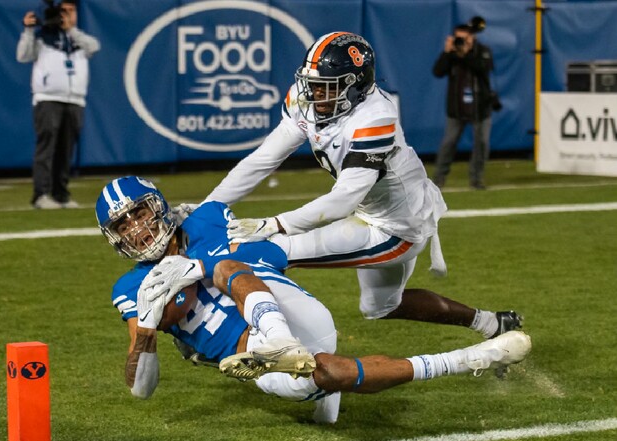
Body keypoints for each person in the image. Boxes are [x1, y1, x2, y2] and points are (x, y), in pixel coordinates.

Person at [95, 177, 532, 424]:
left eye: (140, 213)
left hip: (283, 312)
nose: (137, 229)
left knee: (228, 268)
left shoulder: (207, 220)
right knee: (330, 374)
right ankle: (474, 356)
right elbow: (140, 388)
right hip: (244, 352)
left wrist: (198, 266)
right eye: (124, 224)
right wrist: (148, 327)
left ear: (160, 207)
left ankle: (280, 343)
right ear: (115, 240)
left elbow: (256, 253)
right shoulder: (131, 289)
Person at [195, 31, 520, 341]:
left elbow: (343, 200)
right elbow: (264, 159)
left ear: (355, 85)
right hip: (371, 210)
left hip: (396, 228)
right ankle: (492, 322)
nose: (315, 94)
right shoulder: (307, 100)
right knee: (379, 306)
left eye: (327, 87)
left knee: (266, 251)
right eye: (314, 85)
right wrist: (207, 208)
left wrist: (276, 223)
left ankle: (261, 341)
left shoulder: (375, 118)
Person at [16, 0, 100, 209]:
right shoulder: (43, 37)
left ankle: (61, 194)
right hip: (48, 99)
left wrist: (70, 29)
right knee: (47, 148)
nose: (67, 15)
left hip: (75, 100)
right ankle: (41, 194)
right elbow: (23, 55)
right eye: (63, 11)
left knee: (66, 150)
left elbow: (94, 46)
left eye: (71, 11)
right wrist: (28, 30)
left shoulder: (79, 39)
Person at [432, 17, 495, 190]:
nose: (461, 41)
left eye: (465, 37)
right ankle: (438, 179)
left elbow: (483, 68)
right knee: (448, 143)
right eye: (459, 37)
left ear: (472, 36)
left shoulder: (482, 51)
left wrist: (466, 53)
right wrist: (447, 52)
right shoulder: (452, 54)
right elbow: (437, 71)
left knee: (481, 143)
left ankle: (476, 179)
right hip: (457, 108)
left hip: (480, 107)